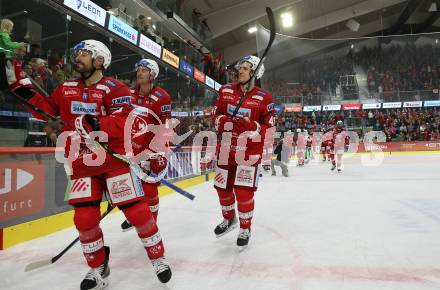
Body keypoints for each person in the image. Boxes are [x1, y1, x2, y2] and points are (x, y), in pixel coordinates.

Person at [12, 40, 172, 289]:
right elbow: (45, 109)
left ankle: (158, 257)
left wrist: (97, 124)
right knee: (84, 219)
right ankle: (98, 268)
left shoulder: (115, 88)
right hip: (81, 162)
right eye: (77, 53)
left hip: (113, 160)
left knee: (138, 213)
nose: (78, 58)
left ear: (100, 60)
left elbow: (123, 124)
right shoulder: (65, 88)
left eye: (85, 54)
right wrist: (18, 87)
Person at [212, 55, 275, 248]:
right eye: (240, 67)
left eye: (246, 68)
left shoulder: (264, 97)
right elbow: (215, 114)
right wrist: (223, 121)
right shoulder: (225, 90)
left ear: (255, 73)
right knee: (222, 188)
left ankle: (245, 228)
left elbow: (269, 127)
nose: (241, 71)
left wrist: (254, 126)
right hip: (225, 149)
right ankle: (229, 219)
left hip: (248, 153)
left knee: (243, 192)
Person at [120, 58, 172, 231]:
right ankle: (135, 216)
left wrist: (159, 153)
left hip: (150, 150)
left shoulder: (162, 97)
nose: (139, 72)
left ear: (153, 74)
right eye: (138, 69)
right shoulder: (128, 93)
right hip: (130, 148)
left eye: (144, 69)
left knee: (149, 191)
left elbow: (164, 128)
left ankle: (151, 224)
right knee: (129, 188)